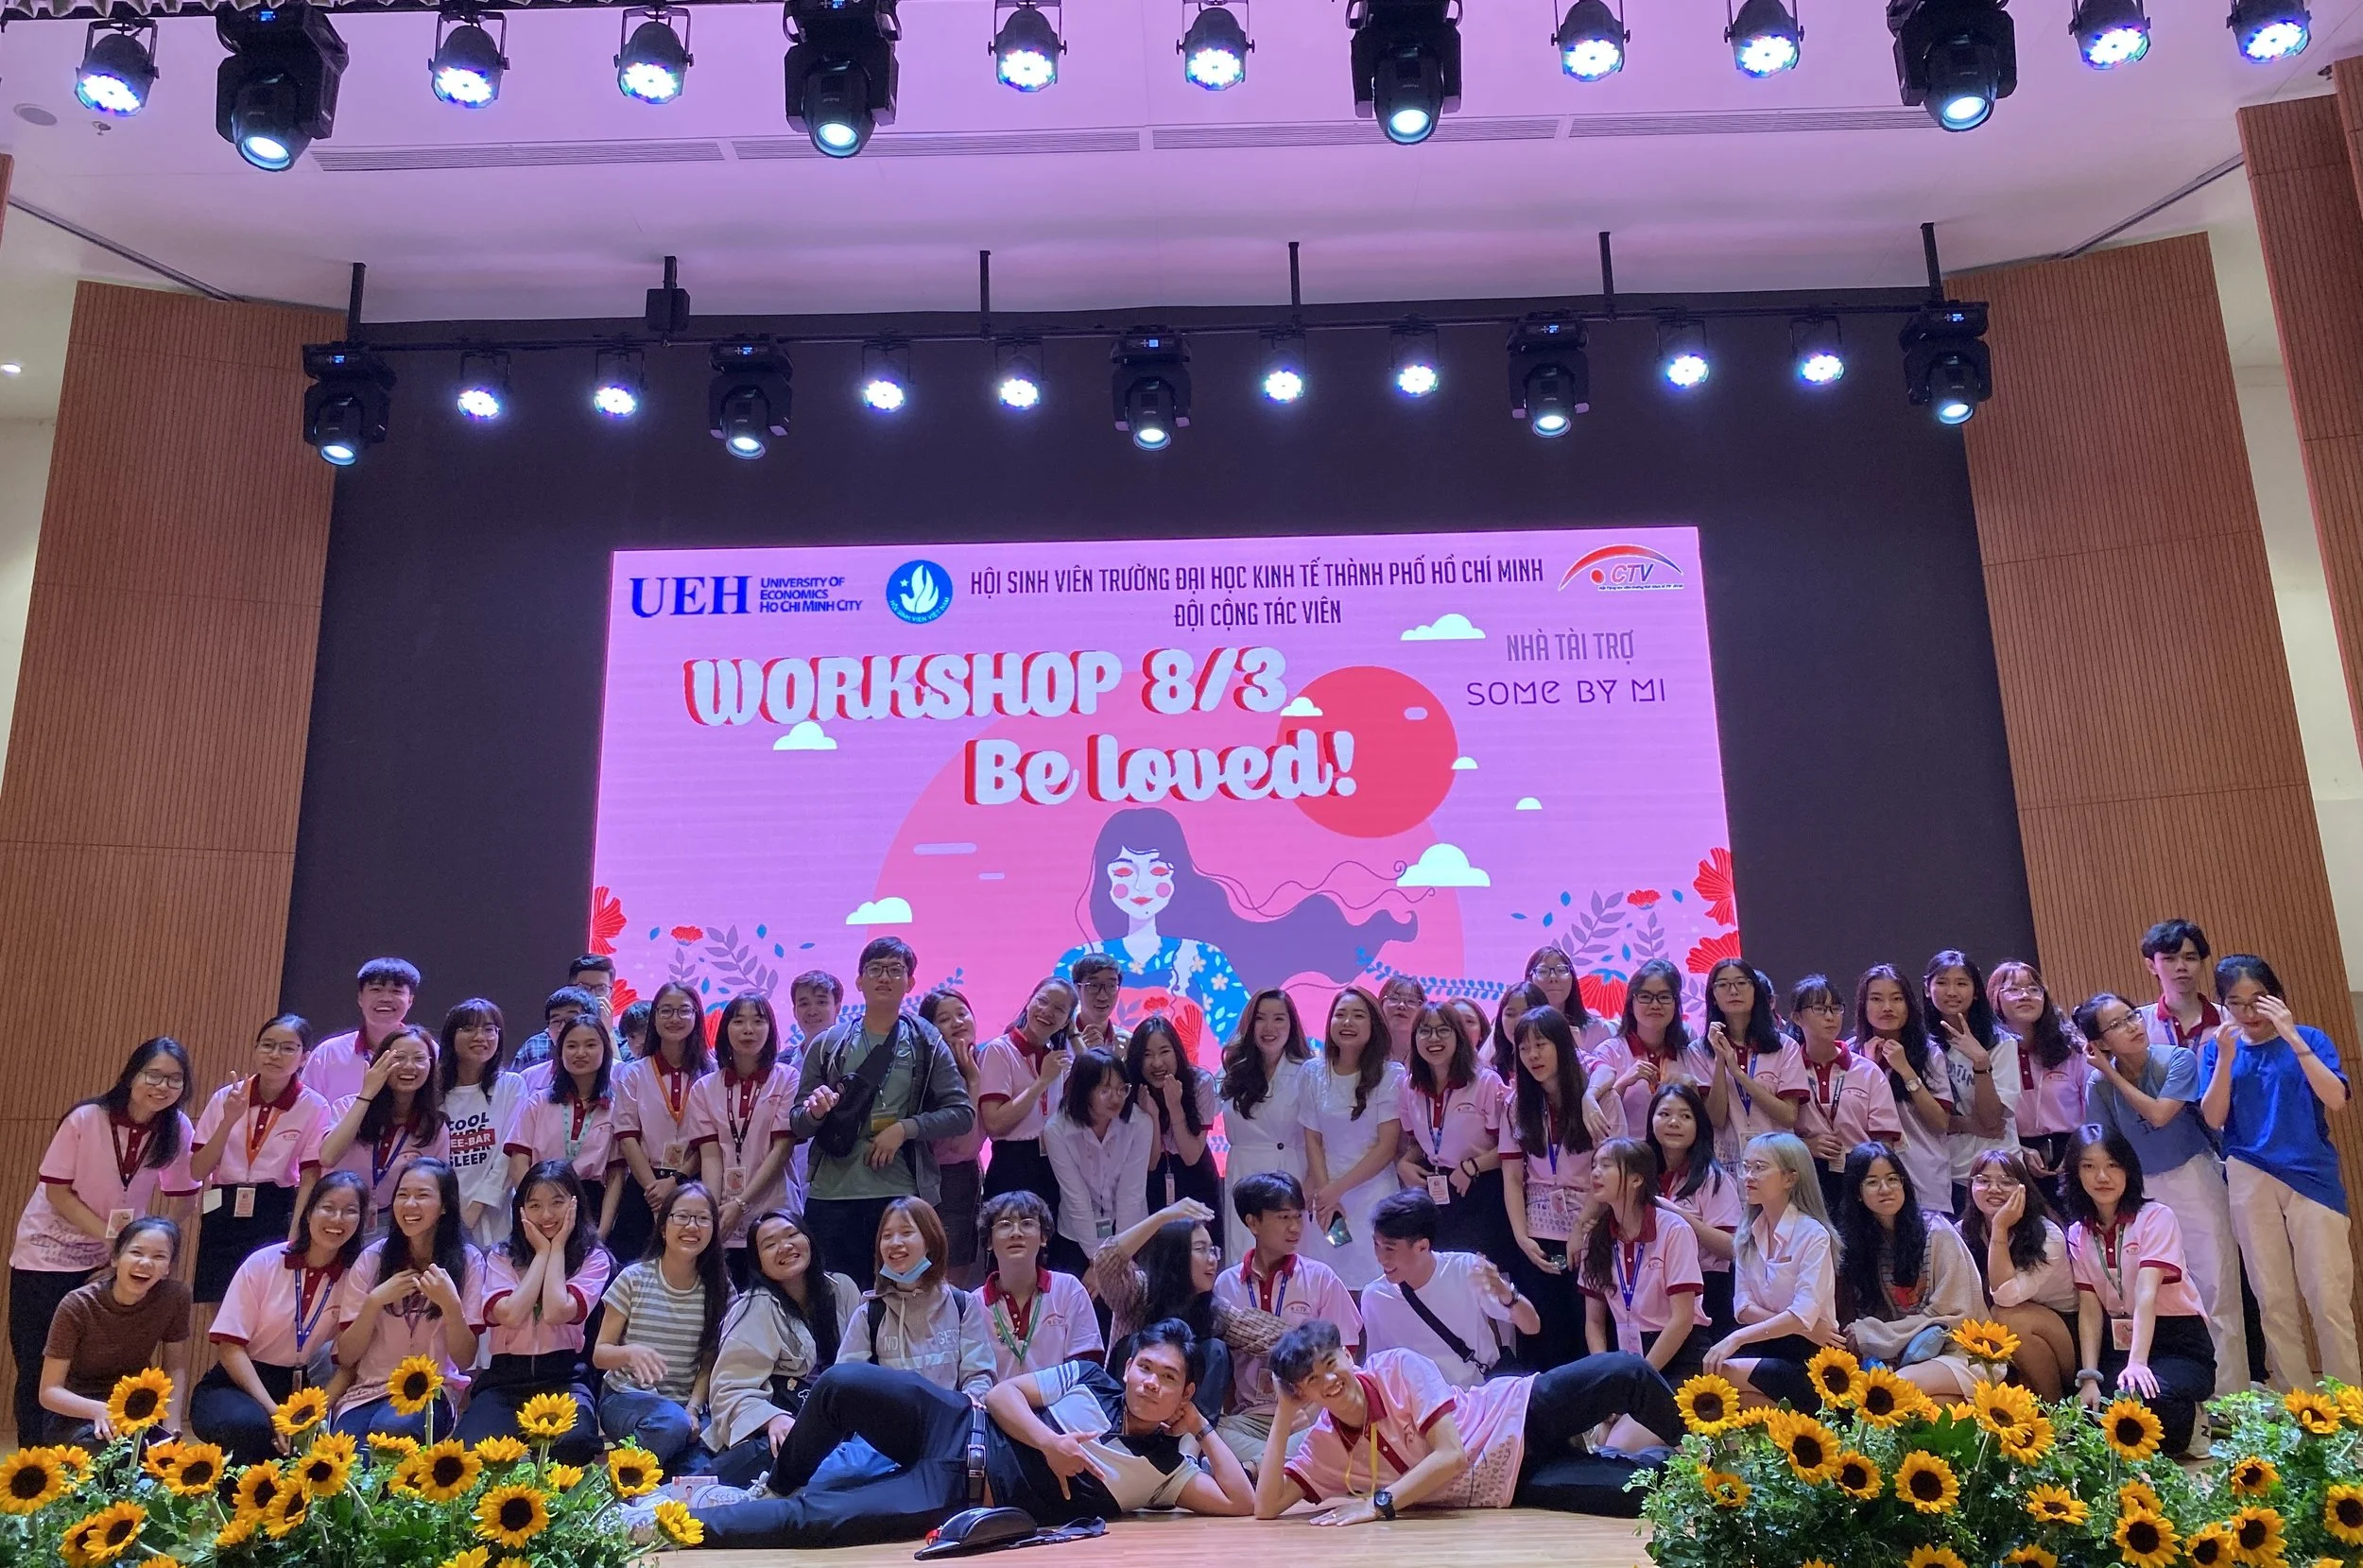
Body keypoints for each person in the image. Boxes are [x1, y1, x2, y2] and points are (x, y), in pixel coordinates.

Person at [681, 1319, 1255, 1548]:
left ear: (1185, 1392)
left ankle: (682, 1529)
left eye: (1169, 1378)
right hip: (956, 1417)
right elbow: (1006, 1395)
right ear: (1129, 1366)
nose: (1151, 1382)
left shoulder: (1165, 1470)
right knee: (840, 1383)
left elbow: (1241, 1502)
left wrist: (1202, 1426)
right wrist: (1049, 1444)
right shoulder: (1088, 1377)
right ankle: (776, 1484)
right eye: (1145, 1367)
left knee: (819, 1524)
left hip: (960, 1491)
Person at [1252, 1321, 1682, 1522]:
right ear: (1303, 1392)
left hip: (1517, 1413)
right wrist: (1284, 1413)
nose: (1328, 1380)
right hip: (1509, 1484)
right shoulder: (1325, 1445)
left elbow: (1452, 1456)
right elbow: (1267, 1506)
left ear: (1349, 1355)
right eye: (1311, 1380)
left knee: (1624, 1372)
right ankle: (1690, 1474)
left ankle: (1713, 1446)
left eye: (1331, 1363)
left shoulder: (1396, 1367)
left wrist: (1378, 1502)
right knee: (1642, 1496)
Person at [9, 1037, 198, 1444]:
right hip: (46, 1254)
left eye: (175, 1079)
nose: (162, 1086)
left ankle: (83, 1454)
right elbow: (58, 1192)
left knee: (92, 1366)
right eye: (154, 1075)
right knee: (35, 1364)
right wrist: (118, 1241)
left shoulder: (177, 1127)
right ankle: (32, 1463)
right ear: (132, 1075)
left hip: (112, 1257)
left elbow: (185, 1195)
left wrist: (153, 1242)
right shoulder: (87, 1117)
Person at [2077, 991, 2246, 1401]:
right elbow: (2104, 1146)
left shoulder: (2177, 1059)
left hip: (2193, 1175)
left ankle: (2235, 1397)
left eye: (2132, 1016)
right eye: (2116, 1025)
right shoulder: (2098, 1086)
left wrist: (2111, 1074)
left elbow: (2159, 1113)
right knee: (2157, 1293)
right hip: (2143, 1188)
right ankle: (2178, 1392)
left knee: (2218, 1284)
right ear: (2099, 1043)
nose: (2133, 1026)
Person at [2200, 953, 2357, 1389]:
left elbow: (2336, 1099)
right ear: (2223, 1005)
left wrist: (2291, 1036)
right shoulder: (2217, 1049)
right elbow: (2213, 1118)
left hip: (2312, 1177)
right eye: (2236, 1002)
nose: (2249, 1013)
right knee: (2273, 1300)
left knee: (2329, 1300)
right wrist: (2227, 1057)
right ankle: (2298, 1409)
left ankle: (2350, 1413)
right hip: (2249, 1174)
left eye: (2259, 1000)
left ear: (2278, 999)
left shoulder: (2308, 1037)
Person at [787, 938, 975, 1281]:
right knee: (833, 1300)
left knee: (904, 1295)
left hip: (901, 1194)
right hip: (831, 1193)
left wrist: (904, 1129)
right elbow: (798, 1125)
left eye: (895, 970)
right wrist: (816, 1112)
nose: (884, 978)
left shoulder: (926, 1041)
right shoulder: (829, 1043)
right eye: (875, 969)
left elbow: (962, 1113)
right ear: (859, 981)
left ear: (911, 982)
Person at [191, 1170, 367, 1465]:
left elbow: (348, 1365)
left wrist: (313, 1416)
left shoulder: (354, 1278)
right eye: (328, 1208)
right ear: (308, 1211)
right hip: (236, 1383)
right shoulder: (264, 1262)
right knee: (252, 1428)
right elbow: (230, 1348)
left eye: (350, 1211)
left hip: (299, 1390)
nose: (337, 1219)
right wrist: (275, 1412)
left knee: (315, 1451)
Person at [2062, 1125, 2216, 1454]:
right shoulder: (2077, 1233)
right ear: (2076, 1173)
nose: (2102, 1176)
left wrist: (2137, 1364)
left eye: (2113, 1165)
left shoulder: (2156, 1217)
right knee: (2091, 1413)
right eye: (2089, 1166)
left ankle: (2196, 1419)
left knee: (2151, 1400)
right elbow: (2089, 1308)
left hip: (2176, 1341)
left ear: (2129, 1169)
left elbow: (2147, 1295)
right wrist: (2090, 1377)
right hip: (2118, 1342)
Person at [454, 1161, 612, 1463]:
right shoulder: (500, 1255)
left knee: (573, 1443)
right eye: (535, 1205)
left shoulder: (594, 1257)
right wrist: (542, 1252)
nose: (547, 1215)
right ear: (521, 1209)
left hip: (565, 1377)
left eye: (557, 1202)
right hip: (504, 1379)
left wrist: (558, 1248)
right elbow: (510, 1315)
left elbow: (556, 1311)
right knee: (469, 1455)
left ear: (575, 1204)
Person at [1210, 1172, 1361, 1468]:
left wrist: (1315, 1408)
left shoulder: (1320, 1278)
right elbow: (1224, 1367)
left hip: (1311, 1418)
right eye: (1283, 1218)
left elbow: (1347, 1357)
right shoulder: (1225, 1285)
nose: (1295, 1228)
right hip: (1252, 1420)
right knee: (1211, 1431)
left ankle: (1254, 1470)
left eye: (1298, 1216)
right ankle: (1275, 1466)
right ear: (1253, 1222)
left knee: (1326, 1434)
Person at [705, 1210, 860, 1489]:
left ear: (809, 1240)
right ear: (759, 1264)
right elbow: (728, 1388)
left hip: (844, 1421)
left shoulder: (843, 1289)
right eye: (770, 1244)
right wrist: (772, 1419)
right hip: (784, 1425)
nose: (785, 1246)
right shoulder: (752, 1308)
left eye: (791, 1235)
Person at [330, 1157, 481, 1442]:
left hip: (431, 1391)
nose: (409, 1205)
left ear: (445, 1205)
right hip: (368, 1391)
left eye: (422, 1195)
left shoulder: (469, 1260)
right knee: (342, 1451)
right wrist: (374, 1302)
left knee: (392, 1431)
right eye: (403, 1195)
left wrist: (450, 1305)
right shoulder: (372, 1259)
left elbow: (464, 1358)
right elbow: (347, 1356)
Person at [188, 1013, 330, 1303]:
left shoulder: (313, 1105)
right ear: (255, 1050)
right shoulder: (226, 1097)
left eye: (288, 1048)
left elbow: (310, 1176)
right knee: (218, 1300)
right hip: (223, 1203)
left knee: (264, 1302)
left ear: (304, 1057)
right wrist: (228, 1121)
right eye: (267, 1045)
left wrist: (296, 1232)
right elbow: (197, 1169)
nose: (275, 1054)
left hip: (275, 1206)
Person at [1832, 1143, 1984, 1399]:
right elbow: (1877, 1314)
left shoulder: (1938, 1232)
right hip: (1906, 1355)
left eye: (1893, 1179)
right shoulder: (1865, 1246)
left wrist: (1874, 1334)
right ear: (1857, 1193)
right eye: (1872, 1182)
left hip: (1962, 1350)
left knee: (1891, 1390)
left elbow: (1955, 1315)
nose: (1885, 1189)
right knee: (1930, 1408)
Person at [595, 1180, 727, 1473]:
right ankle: (609, 1482)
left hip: (684, 1410)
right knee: (670, 1425)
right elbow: (600, 1353)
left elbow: (708, 1361)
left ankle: (635, 1486)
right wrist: (630, 1353)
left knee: (701, 1473)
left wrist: (693, 1409)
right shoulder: (633, 1278)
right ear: (663, 1227)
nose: (692, 1226)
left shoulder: (719, 1288)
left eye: (703, 1218)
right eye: (681, 1216)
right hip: (624, 1397)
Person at [1089, 1198, 1255, 1427]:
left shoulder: (1214, 1308)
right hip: (1126, 1412)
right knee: (1134, 1343)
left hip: (1178, 1418)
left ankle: (1189, 1442)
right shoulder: (1138, 1290)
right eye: (1200, 1250)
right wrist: (1162, 1217)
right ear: (1176, 1253)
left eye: (1213, 1250)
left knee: (1216, 1350)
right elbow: (1106, 1259)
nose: (1212, 1260)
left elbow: (1263, 1333)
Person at [1704, 1132, 1838, 1412]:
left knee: (1719, 1376)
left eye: (1760, 1168)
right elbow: (1742, 1308)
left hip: (1811, 1358)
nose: (1748, 1176)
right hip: (1771, 1345)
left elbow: (1802, 1312)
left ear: (1790, 1178)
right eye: (1745, 1167)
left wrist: (1737, 1337)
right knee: (1731, 1394)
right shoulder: (1747, 1234)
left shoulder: (1812, 1234)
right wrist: (1804, 1329)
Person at [1578, 1139, 1706, 1431]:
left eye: (1606, 1165)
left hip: (1676, 1354)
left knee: (1620, 1443)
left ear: (1637, 1179)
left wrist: (1635, 1380)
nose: (1595, 1173)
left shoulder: (1674, 1230)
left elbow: (1683, 1320)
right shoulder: (1596, 1239)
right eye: (1594, 1165)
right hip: (1625, 1360)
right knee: (1599, 1439)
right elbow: (1594, 1323)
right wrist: (1607, 1379)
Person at [1500, 1003, 1599, 1369]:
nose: (1532, 1055)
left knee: (1585, 1327)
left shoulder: (1597, 1099)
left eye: (1541, 1044)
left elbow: (1608, 1174)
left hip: (1589, 1231)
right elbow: (1512, 1176)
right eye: (1524, 1048)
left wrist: (1581, 1230)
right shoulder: (1516, 1104)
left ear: (1562, 1045)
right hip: (1538, 1234)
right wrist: (1522, 1237)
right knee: (1542, 1332)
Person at [38, 1215, 190, 1444]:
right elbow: (49, 1392)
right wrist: (100, 1410)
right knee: (108, 1453)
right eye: (136, 1253)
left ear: (168, 1268)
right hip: (78, 1409)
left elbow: (175, 1366)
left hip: (137, 1406)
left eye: (159, 1256)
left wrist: (171, 1423)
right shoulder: (78, 1304)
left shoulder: (175, 1297)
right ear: (115, 1258)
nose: (146, 1263)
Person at [1362, 1190, 1538, 1387]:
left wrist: (1506, 1293)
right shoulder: (1375, 1297)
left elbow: (1532, 1326)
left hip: (1481, 1395)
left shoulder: (1466, 1269)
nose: (1380, 1257)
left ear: (1422, 1246)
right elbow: (1375, 1366)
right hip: (1427, 1409)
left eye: (1390, 1248)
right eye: (1376, 1245)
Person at [690, 993, 801, 1288]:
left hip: (774, 1206)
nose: (748, 1029)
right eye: (738, 1021)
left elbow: (782, 1150)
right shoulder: (704, 1087)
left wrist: (741, 1202)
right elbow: (710, 1156)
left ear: (771, 1029)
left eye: (758, 1020)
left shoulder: (787, 1078)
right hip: (725, 1216)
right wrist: (714, 1211)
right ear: (725, 1029)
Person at [1299, 986, 1405, 1291]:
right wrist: (1325, 1193)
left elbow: (1386, 1147)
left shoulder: (1390, 1075)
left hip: (1373, 1194)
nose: (1347, 1022)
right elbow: (1313, 1140)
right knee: (1328, 1283)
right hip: (1328, 1200)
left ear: (1373, 1025)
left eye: (1358, 1016)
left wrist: (1337, 1189)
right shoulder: (1313, 1073)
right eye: (1340, 1015)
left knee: (1376, 1283)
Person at [839, 1197, 993, 1397]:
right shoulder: (868, 1314)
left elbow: (979, 1376)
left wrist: (963, 1410)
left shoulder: (963, 1304)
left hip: (950, 1422)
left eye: (906, 1233)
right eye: (887, 1236)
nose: (895, 1243)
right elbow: (846, 1382)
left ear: (930, 1241)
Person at [1396, 1001, 1511, 1260]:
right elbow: (1418, 1144)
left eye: (1443, 1030)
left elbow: (1509, 1148)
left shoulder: (1485, 1082)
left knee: (1478, 1279)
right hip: (1435, 1190)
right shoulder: (1409, 1087)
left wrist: (1473, 1167)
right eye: (1424, 1031)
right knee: (1439, 1274)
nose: (1433, 1038)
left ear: (1458, 1036)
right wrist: (1404, 1164)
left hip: (1480, 1188)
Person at [1960, 1148, 2078, 1398]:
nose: (1994, 1189)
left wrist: (2000, 1228)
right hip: (2003, 1326)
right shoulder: (1964, 1231)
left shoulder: (2048, 1234)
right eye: (1983, 1181)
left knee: (2008, 1317)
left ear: (2023, 1188)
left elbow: (2006, 1297)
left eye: (2006, 1182)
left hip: (2064, 1328)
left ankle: (2055, 1413)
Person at [611, 980, 714, 1266]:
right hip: (645, 1186)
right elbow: (628, 1137)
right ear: (654, 1017)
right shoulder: (633, 1073)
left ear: (697, 1016)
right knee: (632, 1265)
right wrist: (654, 1188)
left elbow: (711, 1140)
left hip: (694, 1181)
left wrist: (676, 1181)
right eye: (666, 1011)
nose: (674, 1018)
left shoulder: (712, 1071)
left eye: (684, 1011)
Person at [505, 1009, 627, 1240]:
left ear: (605, 1050)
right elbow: (518, 1163)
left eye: (591, 1045)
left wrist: (602, 1229)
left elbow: (615, 1175)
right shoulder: (538, 1102)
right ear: (560, 1052)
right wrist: (536, 1207)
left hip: (592, 1206)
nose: (580, 1053)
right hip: (541, 1205)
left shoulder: (615, 1106)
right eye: (571, 1046)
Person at [975, 977, 1078, 1249]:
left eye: (1059, 1009)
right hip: (1013, 1164)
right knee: (1010, 1252)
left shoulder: (1056, 1057)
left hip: (1052, 1162)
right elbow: (995, 1124)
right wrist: (1042, 1082)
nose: (1047, 1012)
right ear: (1029, 1002)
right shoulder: (1000, 1050)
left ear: (1067, 1020)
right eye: (1042, 1001)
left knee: (1049, 1254)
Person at [1787, 974, 1901, 1214]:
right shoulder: (1787, 1068)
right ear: (1797, 1017)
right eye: (1819, 1008)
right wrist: (1805, 1145)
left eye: (1836, 1008)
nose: (1830, 1017)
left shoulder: (1867, 1071)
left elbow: (1886, 1142)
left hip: (1859, 1179)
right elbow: (1773, 1129)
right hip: (1803, 1177)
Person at [1217, 988, 1316, 1262]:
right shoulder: (1234, 1069)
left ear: (1291, 1024)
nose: (1269, 1027)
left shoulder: (1308, 1071)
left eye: (1279, 1019)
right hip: (1243, 1174)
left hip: (1292, 1176)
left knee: (1292, 1262)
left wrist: (1310, 1184)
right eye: (1261, 1018)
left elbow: (1318, 1135)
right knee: (1244, 1262)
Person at [1853, 965, 1954, 1217]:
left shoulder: (1930, 1052)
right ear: (1863, 1006)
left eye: (1896, 999)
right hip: (1868, 1178)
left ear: (1908, 1004)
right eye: (1876, 999)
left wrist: (1906, 1070)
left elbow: (1941, 1122)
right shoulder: (1850, 1053)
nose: (1887, 1007)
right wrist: (1869, 1068)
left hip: (1924, 1174)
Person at [318, 1025, 450, 1216]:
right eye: (399, 1057)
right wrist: (367, 1094)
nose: (409, 1066)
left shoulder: (434, 1127)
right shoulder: (347, 1106)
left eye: (419, 1058)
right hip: (340, 1214)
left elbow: (437, 1190)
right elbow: (328, 1158)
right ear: (380, 1062)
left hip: (399, 1220)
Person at [1924, 950, 2020, 1214]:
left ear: (1976, 991)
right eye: (1942, 982)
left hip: (2000, 1169)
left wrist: (1980, 1062)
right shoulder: (1919, 1046)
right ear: (1927, 988)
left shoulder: (2001, 1042)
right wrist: (1969, 1124)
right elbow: (1924, 1116)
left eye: (1962, 983)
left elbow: (1992, 1121)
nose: (1951, 991)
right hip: (1947, 1173)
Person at [970, 1190, 1102, 1381]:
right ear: (989, 1241)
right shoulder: (973, 1304)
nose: (1016, 1233)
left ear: (1043, 1238)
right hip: (994, 1407)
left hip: (1059, 1406)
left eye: (1027, 1223)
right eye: (1005, 1225)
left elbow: (1086, 1369)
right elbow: (973, 1378)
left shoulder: (1068, 1289)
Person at [1043, 1047, 1156, 1269]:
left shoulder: (1139, 1123)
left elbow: (1131, 1194)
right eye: (1105, 1090)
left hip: (1130, 1232)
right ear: (1084, 1091)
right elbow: (1076, 1198)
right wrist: (1098, 1261)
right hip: (1076, 1235)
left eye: (1122, 1089)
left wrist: (1120, 1256)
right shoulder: (1057, 1129)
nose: (1116, 1098)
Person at [1645, 1083, 1742, 1338]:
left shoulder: (1714, 1179)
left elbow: (1732, 1247)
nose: (1674, 1122)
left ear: (1699, 1125)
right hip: (1647, 1287)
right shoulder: (1639, 1174)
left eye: (1685, 1116)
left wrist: (1679, 1217)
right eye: (1664, 1114)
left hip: (1705, 1287)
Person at [1986, 961, 2086, 1198]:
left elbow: (2094, 1108)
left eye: (2034, 989)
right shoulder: (1986, 1053)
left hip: (2073, 1152)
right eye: (2013, 989)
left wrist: (2077, 1151)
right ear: (1994, 998)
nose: (2025, 995)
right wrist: (2018, 1149)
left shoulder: (2071, 1048)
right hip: (2010, 1154)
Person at [439, 998, 527, 1250]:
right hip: (444, 1216)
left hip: (497, 1218)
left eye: (489, 1029)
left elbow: (509, 1153)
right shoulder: (435, 1092)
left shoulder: (511, 1085)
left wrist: (476, 1208)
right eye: (468, 1028)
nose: (480, 1036)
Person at [1597, 959, 1719, 1138]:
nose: (1655, 1005)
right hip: (1627, 1159)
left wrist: (1693, 1092)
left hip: (1679, 1159)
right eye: (1646, 996)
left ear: (1676, 1004)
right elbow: (1594, 1118)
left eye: (1664, 997)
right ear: (1631, 1003)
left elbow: (1710, 1120)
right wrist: (1622, 1084)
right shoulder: (1608, 1053)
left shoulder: (1690, 1052)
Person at [918, 987, 987, 1288]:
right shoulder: (930, 1070)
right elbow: (961, 1140)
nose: (957, 1022)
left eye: (962, 1013)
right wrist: (972, 1080)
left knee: (964, 1270)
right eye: (945, 1019)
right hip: (941, 1180)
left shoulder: (986, 1057)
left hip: (969, 1175)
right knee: (944, 1275)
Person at [1702, 960, 1802, 1167]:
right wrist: (1720, 1059)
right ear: (1713, 995)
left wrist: (1738, 1074)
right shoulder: (1699, 1049)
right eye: (1723, 985)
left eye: (1741, 983)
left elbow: (1789, 1116)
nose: (1733, 991)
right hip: (1726, 1161)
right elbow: (1716, 1119)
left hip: (1779, 1160)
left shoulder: (1784, 1046)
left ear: (1755, 990)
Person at [1131, 1015, 1222, 1215]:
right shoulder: (1134, 1090)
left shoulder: (1200, 1082)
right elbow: (1151, 1163)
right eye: (1147, 1055)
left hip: (1196, 1177)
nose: (1157, 1063)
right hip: (1152, 1179)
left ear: (1177, 1052)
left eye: (1164, 1052)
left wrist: (1175, 1107)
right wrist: (1152, 1118)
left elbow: (1191, 1157)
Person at [306, 956, 421, 1105]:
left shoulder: (427, 1053)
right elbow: (307, 1111)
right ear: (360, 998)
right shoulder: (328, 1053)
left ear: (410, 1000)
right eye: (376, 990)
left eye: (396, 991)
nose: (386, 998)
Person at [511, 956, 617, 1070]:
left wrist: (608, 1034)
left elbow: (625, 1081)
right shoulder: (535, 1046)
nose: (592, 995)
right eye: (584, 988)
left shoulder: (624, 1040)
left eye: (601, 988)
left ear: (612, 994)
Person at [2137, 918, 2220, 1053]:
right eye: (2169, 959)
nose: (2181, 967)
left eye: (2190, 958)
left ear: (2202, 964)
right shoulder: (2139, 1024)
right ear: (2151, 966)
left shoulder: (2229, 1019)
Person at [1523, 945, 1616, 1056]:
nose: (1553, 977)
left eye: (1561, 970)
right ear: (1529, 979)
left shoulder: (1597, 1030)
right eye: (1543, 971)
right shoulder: (1516, 1026)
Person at [515, 986, 600, 1083]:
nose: (562, 1028)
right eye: (556, 1021)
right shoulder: (529, 1078)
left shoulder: (618, 1074)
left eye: (571, 1019)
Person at [1069, 953, 1124, 1051]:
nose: (1102, 996)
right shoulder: (1059, 1042)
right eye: (1093, 985)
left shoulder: (1127, 1043)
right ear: (1076, 988)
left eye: (1111, 985)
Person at [788, 969, 845, 1049]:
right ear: (794, 1012)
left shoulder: (854, 1058)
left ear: (837, 1009)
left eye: (821, 1002)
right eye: (804, 1004)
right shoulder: (782, 1061)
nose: (812, 1012)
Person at [1378, 974, 1426, 1062]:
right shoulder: (1365, 1048)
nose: (1401, 1006)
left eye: (1411, 1001)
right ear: (1381, 1004)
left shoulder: (1428, 1051)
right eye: (1394, 998)